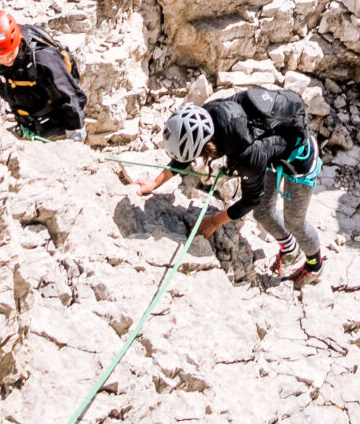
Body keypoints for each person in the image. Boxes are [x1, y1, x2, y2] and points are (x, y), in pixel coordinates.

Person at [138, 88, 325, 287]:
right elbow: (190, 150)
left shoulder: (246, 155)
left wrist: (213, 222)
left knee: (294, 223)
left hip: (300, 161)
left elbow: (251, 199)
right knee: (263, 215)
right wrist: (156, 182)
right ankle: (290, 250)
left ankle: (315, 265)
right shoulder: (208, 115)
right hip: (270, 148)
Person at [0, 8, 88, 141]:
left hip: (55, 126)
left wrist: (76, 134)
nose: (6, 60)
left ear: (18, 41)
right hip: (28, 123)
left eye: (11, 54)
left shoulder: (43, 60)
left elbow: (70, 97)